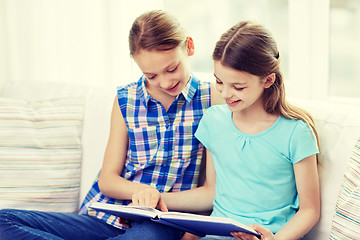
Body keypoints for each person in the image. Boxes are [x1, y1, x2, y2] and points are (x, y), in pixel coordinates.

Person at [0, 10, 220, 240]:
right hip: (105, 217)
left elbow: (210, 192)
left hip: (161, 222)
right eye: (151, 75)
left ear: (190, 47)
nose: (165, 82)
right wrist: (142, 192)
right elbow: (108, 179)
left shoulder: (212, 99)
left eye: (172, 69)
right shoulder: (126, 99)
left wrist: (157, 199)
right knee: (3, 220)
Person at [157, 21, 320, 240]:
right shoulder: (213, 121)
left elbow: (310, 210)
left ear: (268, 80)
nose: (225, 93)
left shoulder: (296, 132)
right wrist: (157, 199)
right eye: (219, 82)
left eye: (238, 87)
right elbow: (210, 192)